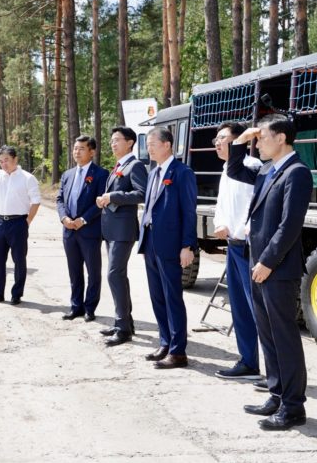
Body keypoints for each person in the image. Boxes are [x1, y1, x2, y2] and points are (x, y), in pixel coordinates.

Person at [228, 114, 313, 431]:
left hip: (276, 267)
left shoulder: (296, 173)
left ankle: (293, 407)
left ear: (281, 138)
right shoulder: (267, 169)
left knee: (284, 337)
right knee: (268, 335)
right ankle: (276, 395)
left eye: (262, 137)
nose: (258, 143)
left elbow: (289, 225)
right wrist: (240, 141)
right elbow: (235, 170)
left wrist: (267, 262)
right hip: (258, 263)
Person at [137, 127, 198, 369]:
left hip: (171, 244)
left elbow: (189, 212)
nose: (149, 149)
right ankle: (165, 342)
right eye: (148, 145)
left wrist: (187, 245)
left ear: (167, 145)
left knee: (172, 297)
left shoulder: (182, 173)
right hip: (151, 241)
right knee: (157, 296)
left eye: (153, 144)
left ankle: (178, 351)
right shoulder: (153, 172)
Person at [212, 122, 264, 380]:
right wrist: (220, 223)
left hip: (247, 246)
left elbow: (254, 206)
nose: (217, 143)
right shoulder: (225, 170)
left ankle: (274, 372)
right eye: (216, 139)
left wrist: (241, 229)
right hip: (232, 246)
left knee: (257, 309)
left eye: (223, 138)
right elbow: (224, 205)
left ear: (238, 141)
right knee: (240, 307)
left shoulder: (251, 166)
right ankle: (248, 362)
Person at [95, 127, 148, 346]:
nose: (113, 144)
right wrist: (105, 199)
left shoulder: (135, 165)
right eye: (111, 140)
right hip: (111, 229)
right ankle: (125, 322)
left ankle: (123, 327)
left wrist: (113, 196)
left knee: (114, 275)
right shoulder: (118, 166)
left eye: (117, 140)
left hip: (123, 230)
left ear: (130, 142)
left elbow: (142, 194)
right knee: (118, 276)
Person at [0, 145, 41, 305]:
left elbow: (36, 201)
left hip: (18, 222)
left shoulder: (27, 178)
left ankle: (16, 294)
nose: (3, 164)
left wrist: (28, 221)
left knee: (19, 260)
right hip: (0, 222)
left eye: (6, 160)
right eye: (1, 161)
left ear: (15, 159)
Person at [57, 136, 109, 322]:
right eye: (75, 148)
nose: (76, 152)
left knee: (93, 272)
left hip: (89, 231)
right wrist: (64, 218)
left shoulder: (101, 174)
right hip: (69, 231)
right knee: (74, 271)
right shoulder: (67, 174)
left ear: (92, 152)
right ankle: (76, 306)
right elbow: (60, 199)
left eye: (81, 149)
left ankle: (90, 308)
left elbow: (100, 202)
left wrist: (83, 219)